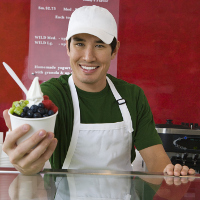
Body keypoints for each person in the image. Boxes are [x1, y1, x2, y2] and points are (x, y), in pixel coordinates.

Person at [3, 5, 195, 176]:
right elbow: (33, 160)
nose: (88, 57)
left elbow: (157, 164)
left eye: (99, 45)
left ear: (114, 50)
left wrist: (173, 176)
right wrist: (27, 165)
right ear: (68, 47)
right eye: (79, 43)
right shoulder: (52, 95)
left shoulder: (132, 96)